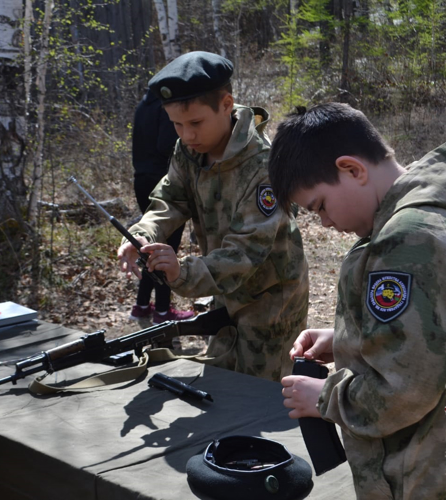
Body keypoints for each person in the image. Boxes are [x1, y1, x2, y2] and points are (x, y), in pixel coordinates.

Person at [272, 103, 446, 498]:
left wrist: (326, 398)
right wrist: (348, 337)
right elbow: (436, 331)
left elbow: (407, 387)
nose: (326, 222)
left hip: (425, 472)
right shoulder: (429, 216)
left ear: (352, 170)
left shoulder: (409, 237)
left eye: (320, 206)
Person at [117, 51, 309, 382]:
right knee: (223, 389)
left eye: (195, 123)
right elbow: (170, 199)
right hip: (223, 294)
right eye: (176, 124)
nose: (186, 135)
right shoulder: (189, 151)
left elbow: (246, 252)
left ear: (226, 104)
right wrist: (145, 233)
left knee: (262, 398)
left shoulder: (263, 167)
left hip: (270, 303)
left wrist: (181, 272)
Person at [130, 88, 194, 324]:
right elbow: (167, 144)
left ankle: (142, 304)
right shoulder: (164, 108)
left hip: (141, 179)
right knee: (166, 248)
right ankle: (163, 311)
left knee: (150, 246)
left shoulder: (142, 106)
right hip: (163, 181)